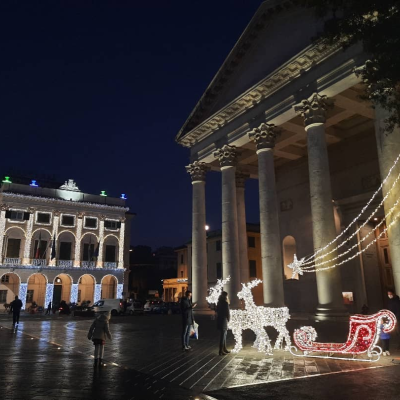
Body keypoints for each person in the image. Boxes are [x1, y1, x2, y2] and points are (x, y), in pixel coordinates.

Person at [216, 291, 231, 356]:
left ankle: (224, 349)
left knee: (224, 334)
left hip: (219, 319)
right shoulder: (225, 303)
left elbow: (216, 310)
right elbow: (227, 312)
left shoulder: (219, 302)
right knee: (223, 335)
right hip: (224, 320)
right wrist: (228, 319)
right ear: (225, 296)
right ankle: (221, 350)